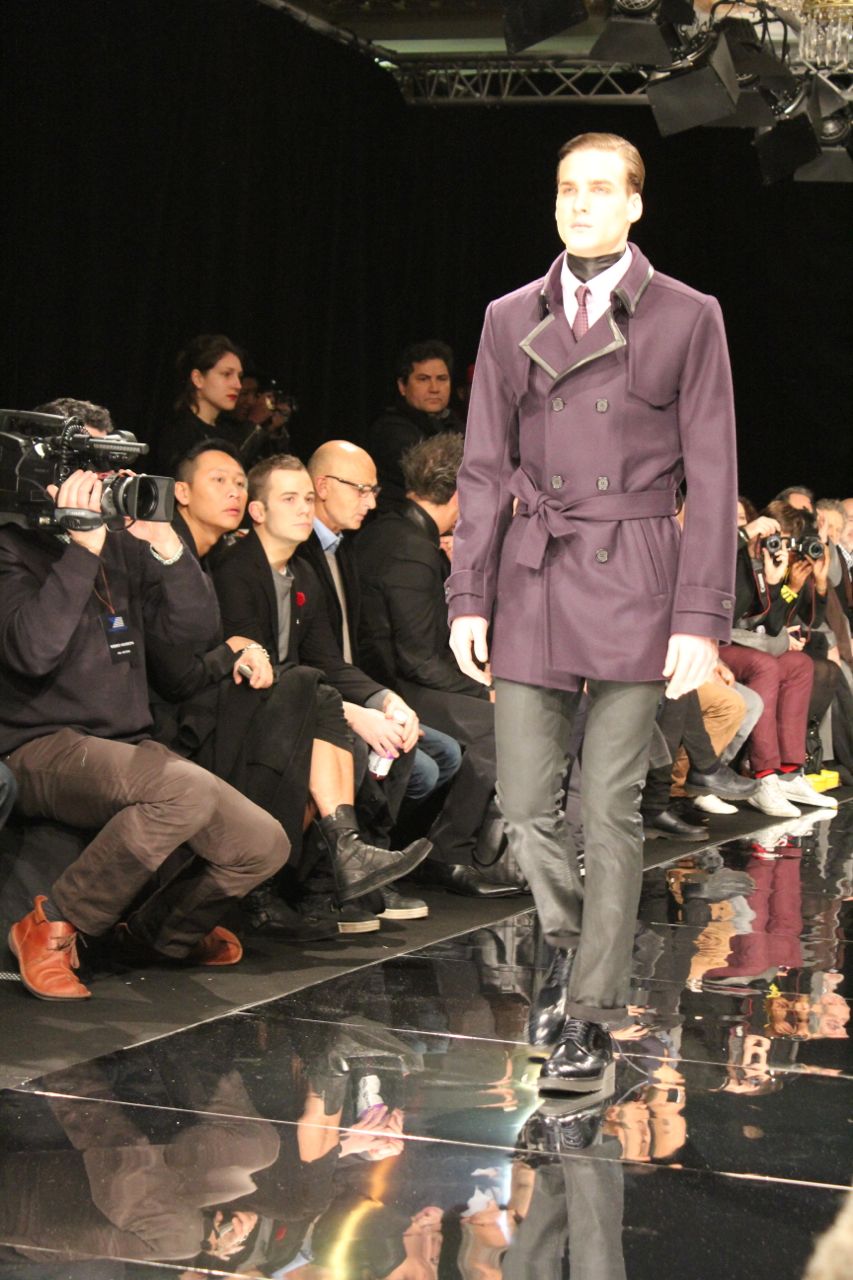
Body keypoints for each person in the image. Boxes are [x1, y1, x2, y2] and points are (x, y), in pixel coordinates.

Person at [447, 132, 739, 1094]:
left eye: (600, 188)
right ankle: (576, 949)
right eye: (567, 187)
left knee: (606, 806)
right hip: (532, 569)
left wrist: (700, 616)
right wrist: (467, 593)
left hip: (636, 572)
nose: (579, 202)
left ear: (634, 204)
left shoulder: (687, 315)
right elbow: (481, 466)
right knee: (525, 805)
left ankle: (588, 1013)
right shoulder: (508, 317)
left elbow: (713, 473)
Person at [0, 450, 290, 999]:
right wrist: (82, 548)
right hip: (38, 745)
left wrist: (164, 542)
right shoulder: (12, 547)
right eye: (88, 471)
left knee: (262, 843)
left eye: (108, 472)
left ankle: (156, 935)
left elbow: (195, 634)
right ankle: (50, 925)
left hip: (125, 743)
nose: (101, 484)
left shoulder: (124, 547)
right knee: (181, 791)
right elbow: (32, 652)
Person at [211, 454, 432, 924]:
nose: (303, 509)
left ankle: (352, 876)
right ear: (258, 511)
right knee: (351, 736)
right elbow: (256, 670)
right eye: (289, 499)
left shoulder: (302, 573)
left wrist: (385, 700)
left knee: (392, 733)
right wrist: (354, 712)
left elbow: (327, 661)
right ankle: (319, 882)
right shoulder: (236, 571)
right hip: (242, 711)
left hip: (299, 702)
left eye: (308, 498)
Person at [355, 432, 521, 898]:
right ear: (462, 491)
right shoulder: (409, 547)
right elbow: (417, 659)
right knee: (503, 727)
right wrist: (484, 690)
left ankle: (469, 847)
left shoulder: (395, 534)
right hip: (398, 687)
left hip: (398, 680)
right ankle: (447, 852)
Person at [300, 440, 463, 827]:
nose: (371, 503)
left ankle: (386, 848)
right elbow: (317, 660)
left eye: (373, 491)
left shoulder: (342, 546)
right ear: (322, 486)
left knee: (444, 754)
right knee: (423, 764)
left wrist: (384, 699)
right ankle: (359, 851)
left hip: (353, 684)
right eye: (361, 490)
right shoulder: (303, 553)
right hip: (320, 696)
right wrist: (371, 705)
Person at [365, 339, 464, 511]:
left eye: (442, 379)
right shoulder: (389, 429)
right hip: (401, 520)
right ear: (402, 386)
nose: (434, 388)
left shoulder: (457, 423)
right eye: (423, 379)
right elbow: (436, 475)